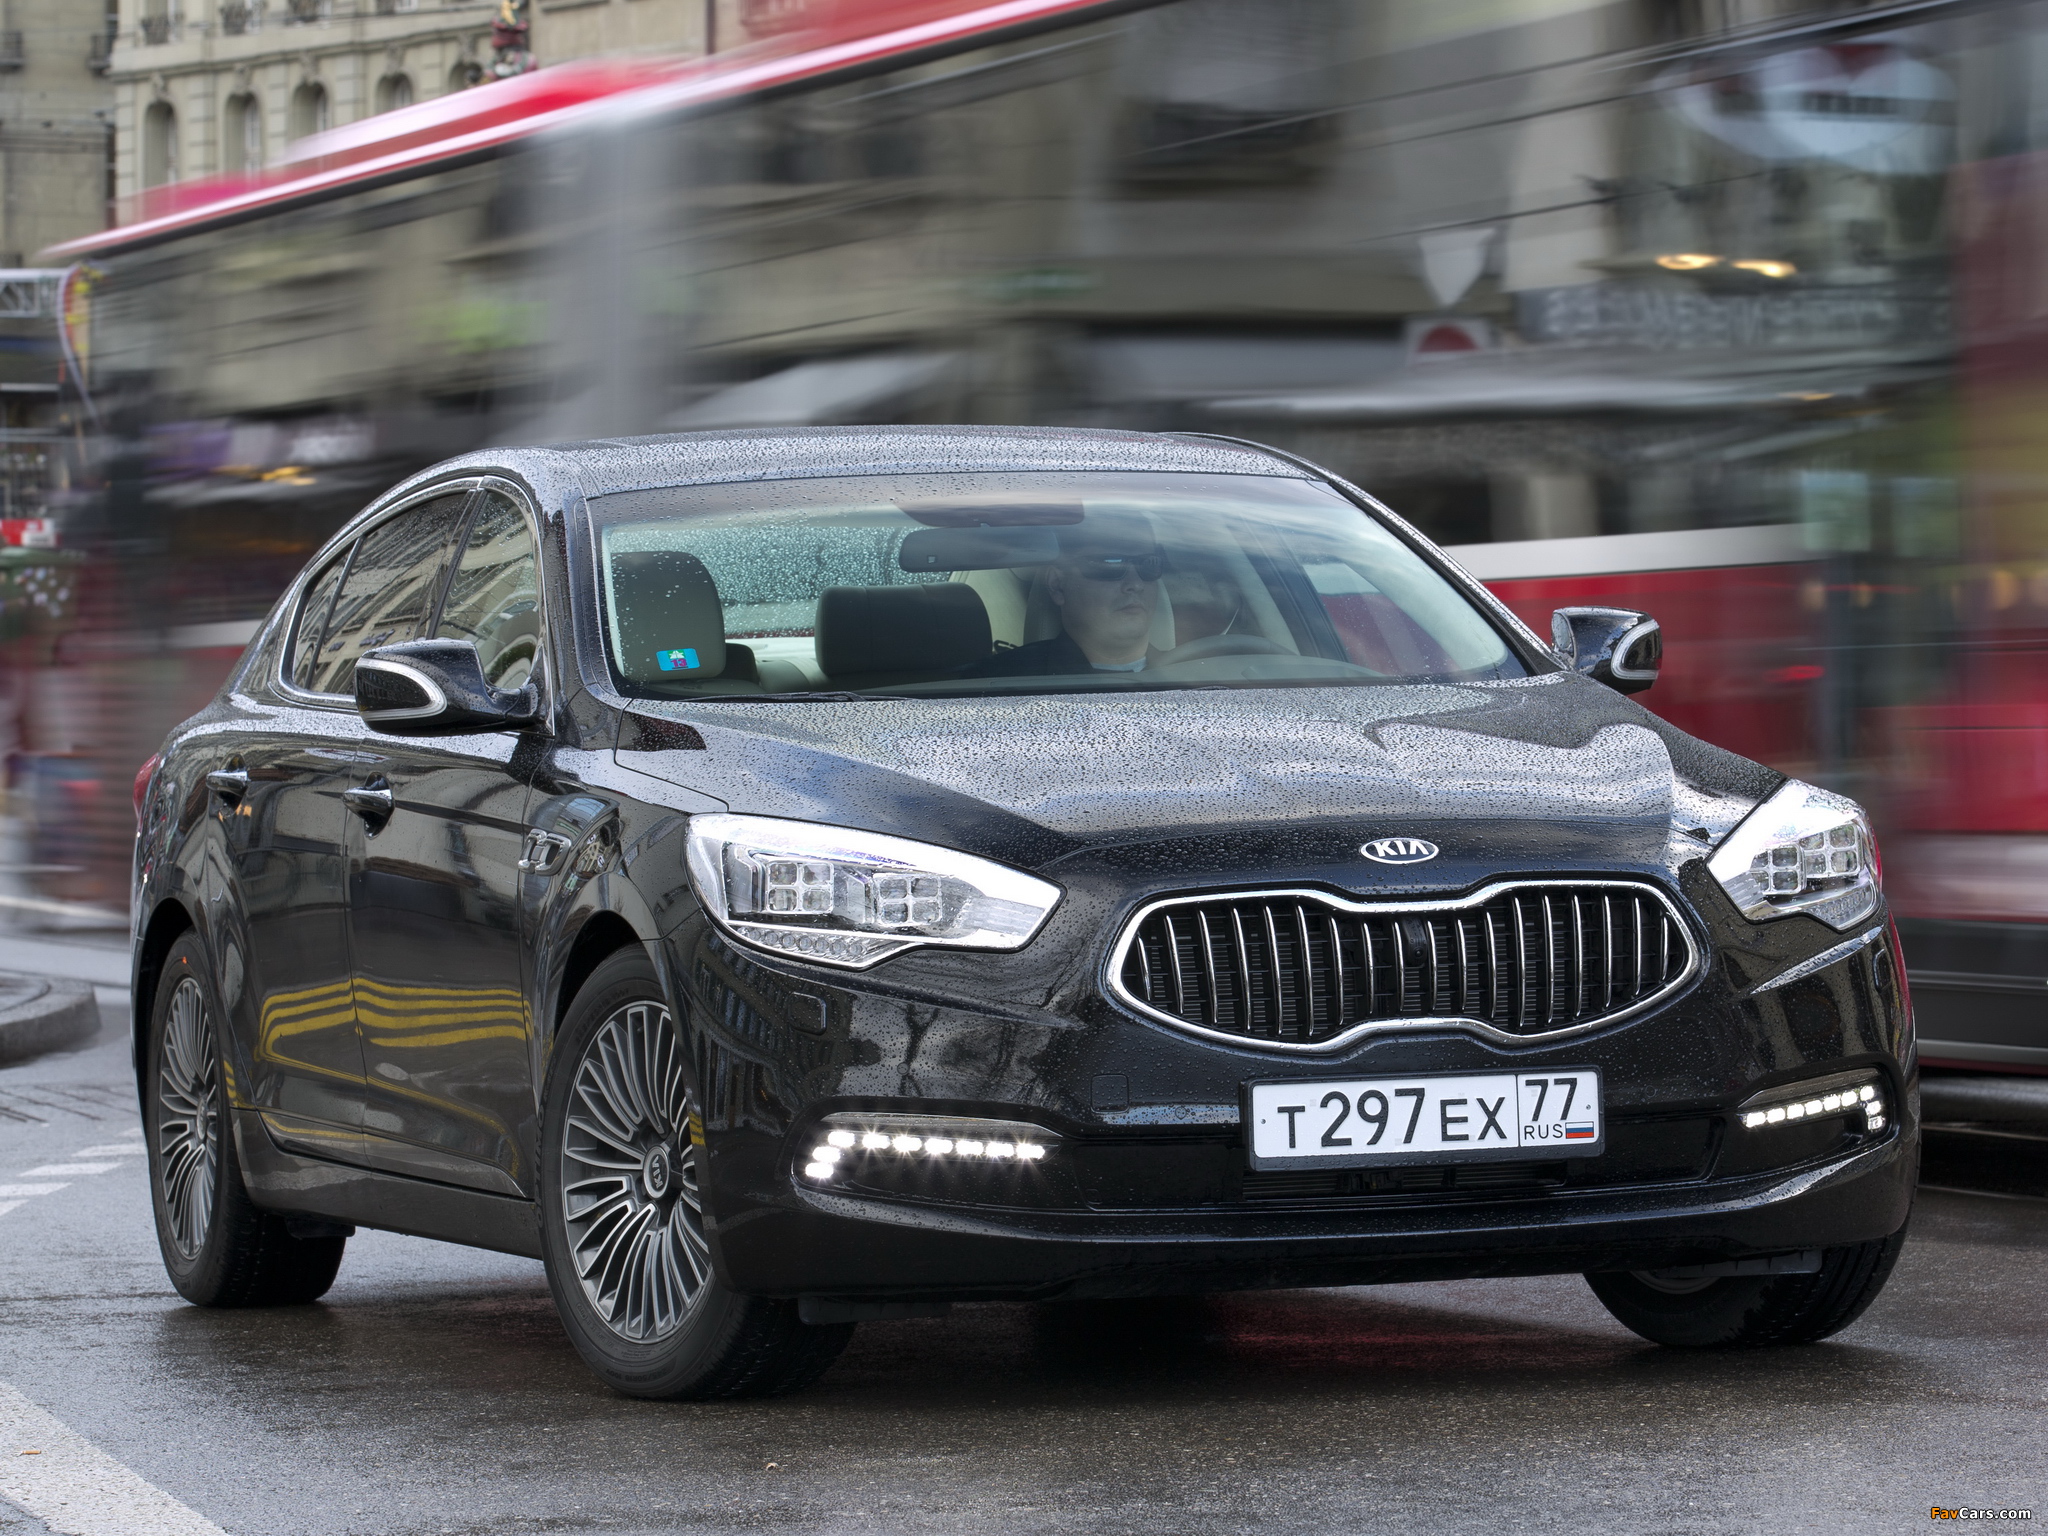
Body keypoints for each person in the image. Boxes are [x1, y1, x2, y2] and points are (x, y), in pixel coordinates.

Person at [965, 518, 1167, 677]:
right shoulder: (993, 683)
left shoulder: (1185, 673)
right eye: (1110, 563)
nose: (1136, 584)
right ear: (1057, 585)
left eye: (1148, 565)